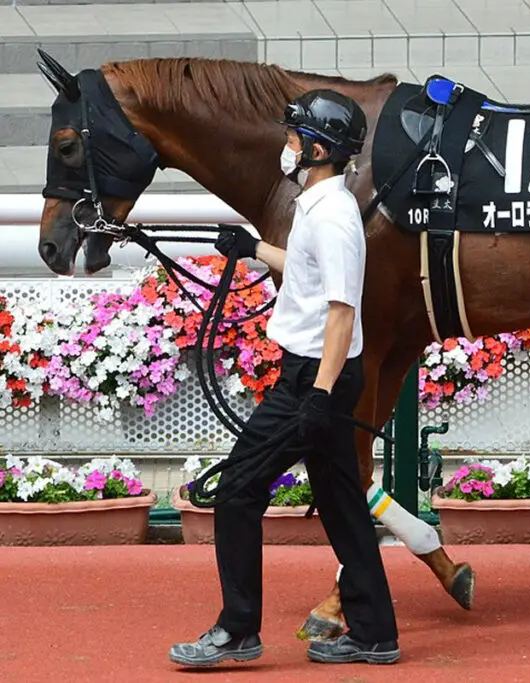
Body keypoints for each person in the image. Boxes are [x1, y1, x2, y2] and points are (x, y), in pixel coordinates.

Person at [169, 89, 400, 667]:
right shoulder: (318, 205)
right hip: (316, 376)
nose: (288, 145)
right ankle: (374, 633)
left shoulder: (337, 219)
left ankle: (237, 629)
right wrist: (253, 249)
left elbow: (343, 311)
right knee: (343, 504)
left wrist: (318, 396)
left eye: (295, 137)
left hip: (313, 380)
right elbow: (301, 261)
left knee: (238, 491)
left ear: (319, 149)